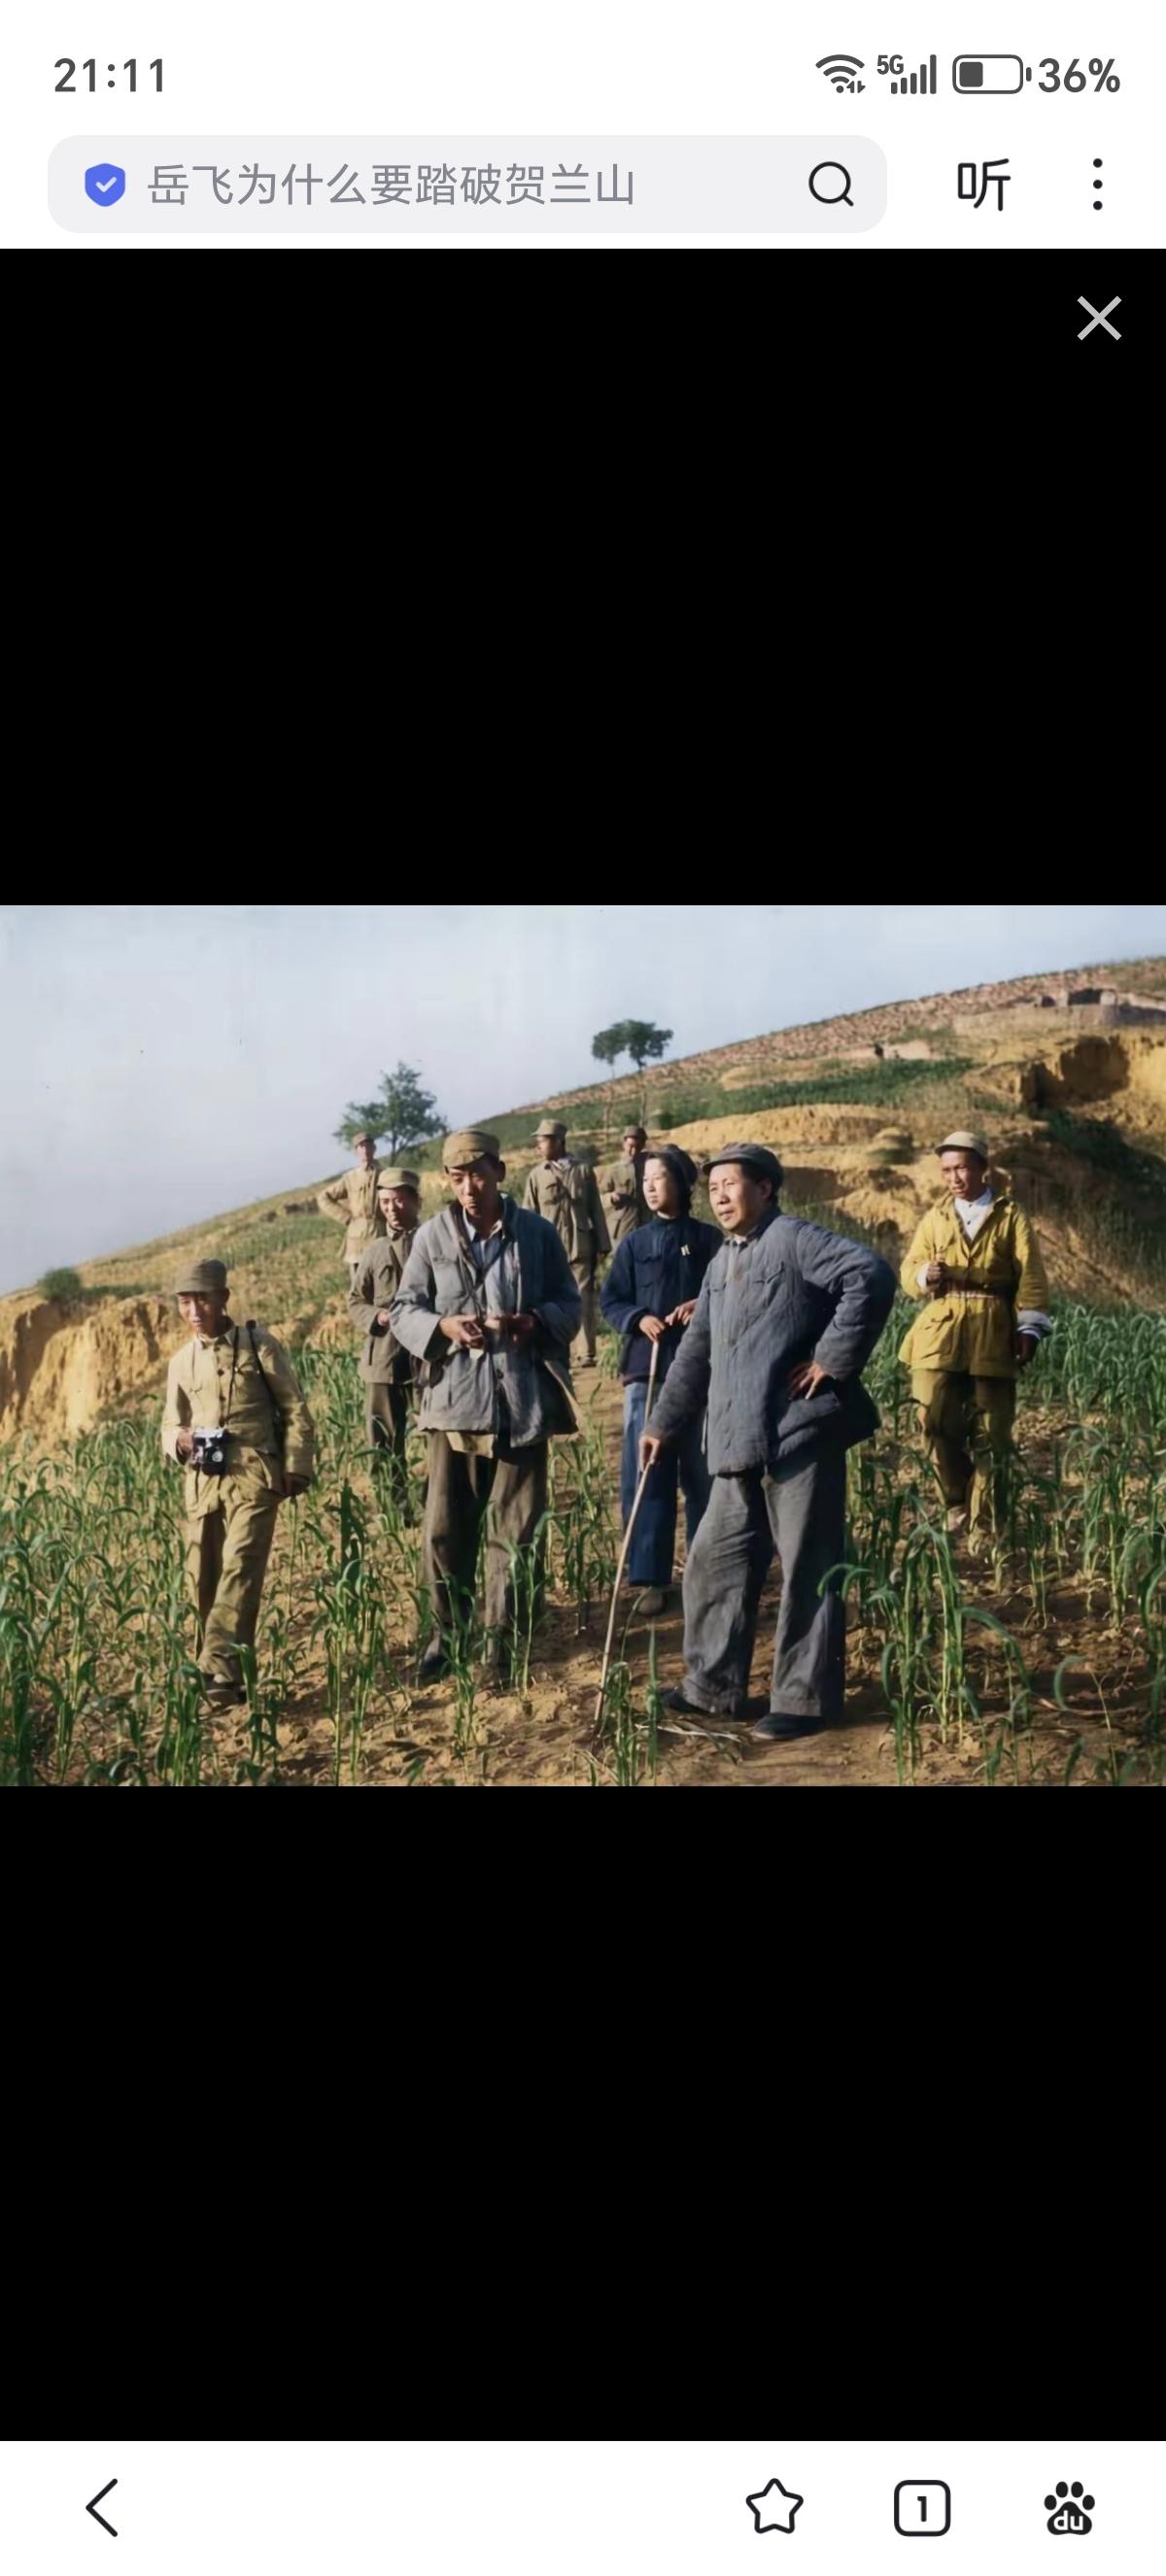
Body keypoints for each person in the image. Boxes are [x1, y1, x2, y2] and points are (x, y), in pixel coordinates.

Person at [640, 1144, 895, 1742]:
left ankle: (804, 1701)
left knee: (810, 1566)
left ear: (766, 1189)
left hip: (796, 1435)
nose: (720, 1196)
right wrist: (661, 1422)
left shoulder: (795, 1239)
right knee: (710, 1563)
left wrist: (830, 1359)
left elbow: (870, 1275)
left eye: (732, 1184)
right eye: (715, 1188)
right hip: (734, 1439)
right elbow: (696, 1352)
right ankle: (710, 1688)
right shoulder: (719, 1262)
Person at [390, 1130, 582, 1679]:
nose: (469, 1188)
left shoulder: (537, 1235)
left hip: (521, 1403)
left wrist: (535, 1321)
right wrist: (444, 1325)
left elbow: (569, 1304)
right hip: (453, 1408)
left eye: (478, 1174)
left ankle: (500, 1643)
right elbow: (404, 1310)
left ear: (499, 1171)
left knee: (515, 1529)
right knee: (445, 1530)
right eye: (457, 1178)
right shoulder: (430, 1238)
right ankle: (445, 1637)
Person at [161, 1259, 315, 1711]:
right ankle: (230, 1678)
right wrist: (180, 1440)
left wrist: (297, 1465)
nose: (194, 1311)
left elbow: (295, 1409)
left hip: (254, 1473)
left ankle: (213, 1664)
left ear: (223, 1299)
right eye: (185, 1302)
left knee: (241, 1567)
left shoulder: (258, 1345)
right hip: (204, 1481)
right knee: (202, 1579)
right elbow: (169, 1423)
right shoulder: (181, 1362)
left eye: (202, 1299)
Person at [899, 1129, 1053, 1548]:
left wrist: (1029, 1327)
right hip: (939, 1330)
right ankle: (956, 1501)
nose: (954, 1177)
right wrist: (922, 1275)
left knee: (992, 1433)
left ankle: (987, 1528)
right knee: (931, 1419)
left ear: (984, 1168)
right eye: (947, 1170)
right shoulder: (935, 1218)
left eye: (962, 1167)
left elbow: (1032, 1276)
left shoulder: (1010, 1216)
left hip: (992, 1329)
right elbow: (909, 1270)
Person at [600, 1145, 721, 1614]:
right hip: (645, 1369)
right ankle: (650, 1577)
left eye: (658, 1178)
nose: (649, 1187)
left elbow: (724, 1290)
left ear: (683, 1184)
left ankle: (705, 1570)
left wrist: (699, 1306)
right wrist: (637, 1318)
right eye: (644, 1180)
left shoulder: (710, 1240)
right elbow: (610, 1300)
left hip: (699, 1370)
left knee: (702, 1469)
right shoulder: (633, 1243)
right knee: (647, 1470)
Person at [348, 1169, 423, 1503]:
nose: (391, 1208)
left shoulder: (434, 1240)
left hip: (429, 1356)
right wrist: (376, 1316)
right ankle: (396, 1508)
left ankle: (441, 1502)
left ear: (415, 1200)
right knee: (384, 1440)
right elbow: (354, 1300)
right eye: (384, 1202)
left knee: (444, 1433)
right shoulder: (374, 1251)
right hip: (385, 1358)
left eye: (398, 1199)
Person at [522, 1118, 611, 1366]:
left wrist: (603, 1244)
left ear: (558, 1142)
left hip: (580, 1246)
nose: (538, 1147)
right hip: (547, 1250)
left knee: (582, 1299)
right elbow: (528, 1213)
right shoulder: (536, 1176)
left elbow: (595, 1208)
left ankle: (587, 1353)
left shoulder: (583, 1170)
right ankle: (557, 1350)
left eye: (542, 1141)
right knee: (550, 1302)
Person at [318, 1132, 385, 1286]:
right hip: (357, 1238)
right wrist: (346, 1218)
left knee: (383, 1282)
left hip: (379, 1233)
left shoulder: (385, 1174)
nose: (365, 1149)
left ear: (374, 1148)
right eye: (361, 1146)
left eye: (368, 1145)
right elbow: (324, 1197)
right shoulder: (350, 1178)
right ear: (356, 1151)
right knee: (359, 1286)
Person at [600, 1125, 651, 1245]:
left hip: (645, 1225)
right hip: (620, 1230)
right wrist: (611, 1198)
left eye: (637, 1147)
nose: (633, 1151)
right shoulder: (614, 1170)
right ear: (624, 1145)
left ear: (643, 1146)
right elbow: (598, 1197)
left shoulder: (650, 1167)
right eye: (630, 1146)